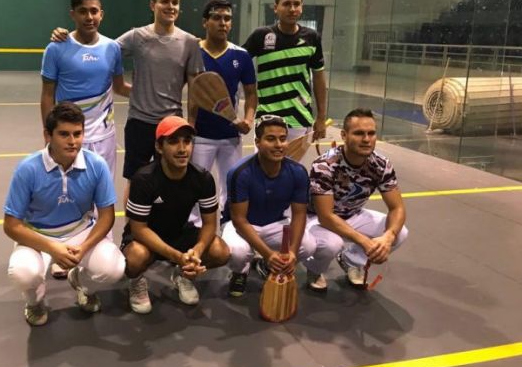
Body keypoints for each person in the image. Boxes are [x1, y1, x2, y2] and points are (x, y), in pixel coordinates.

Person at [51, 0, 203, 202]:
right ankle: (131, 225)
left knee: (172, 181)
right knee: (136, 181)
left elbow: (196, 89)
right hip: (139, 122)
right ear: (153, 5)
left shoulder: (189, 42)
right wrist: (66, 37)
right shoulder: (136, 36)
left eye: (175, 2)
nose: (170, 7)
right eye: (165, 1)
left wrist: (191, 123)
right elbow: (101, 50)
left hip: (172, 124)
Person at [4, 102, 125, 326]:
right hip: (38, 235)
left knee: (114, 268)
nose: (72, 141)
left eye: (77, 134)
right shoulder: (27, 169)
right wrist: (53, 248)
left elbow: (107, 216)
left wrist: (84, 248)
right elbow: (11, 226)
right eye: (64, 134)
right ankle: (34, 301)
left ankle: (81, 282)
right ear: (47, 135)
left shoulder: (96, 165)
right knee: (24, 273)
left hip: (80, 231)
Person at [121, 116, 230, 314]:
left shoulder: (203, 178)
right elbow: (139, 229)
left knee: (220, 251)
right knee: (136, 257)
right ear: (159, 147)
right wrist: (177, 256)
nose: (182, 149)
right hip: (146, 238)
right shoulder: (143, 179)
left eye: (187, 141)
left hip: (179, 233)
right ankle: (136, 281)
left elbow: (209, 224)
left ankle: (183, 275)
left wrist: (196, 252)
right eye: (173, 142)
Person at [221, 115, 335, 296]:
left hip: (275, 223)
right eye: (271, 139)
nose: (278, 145)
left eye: (283, 139)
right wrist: (268, 253)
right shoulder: (240, 172)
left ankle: (268, 265)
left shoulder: (298, 172)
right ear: (258, 142)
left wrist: (292, 253)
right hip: (242, 225)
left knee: (308, 246)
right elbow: (239, 220)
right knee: (238, 253)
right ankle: (240, 272)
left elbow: (299, 215)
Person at [306, 108, 409, 289]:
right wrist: (365, 242)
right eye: (359, 133)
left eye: (371, 133)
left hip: (353, 214)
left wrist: (388, 237)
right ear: (344, 135)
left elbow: (397, 208)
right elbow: (326, 216)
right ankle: (315, 269)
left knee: (400, 233)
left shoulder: (381, 164)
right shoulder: (325, 165)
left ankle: (351, 260)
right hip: (317, 219)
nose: (367, 139)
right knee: (332, 244)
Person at [40, 0, 131, 177]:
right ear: (73, 14)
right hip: (68, 137)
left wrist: (152, 93)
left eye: (94, 11)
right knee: (69, 191)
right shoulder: (55, 49)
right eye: (83, 11)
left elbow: (120, 87)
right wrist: (49, 134)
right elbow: (47, 95)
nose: (89, 17)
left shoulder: (112, 48)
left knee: (103, 190)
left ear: (101, 14)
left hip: (105, 137)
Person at [190, 0, 257, 213]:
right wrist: (189, 126)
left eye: (227, 18)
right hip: (200, 137)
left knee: (232, 190)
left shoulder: (241, 56)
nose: (223, 23)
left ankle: (229, 227)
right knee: (196, 190)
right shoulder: (193, 52)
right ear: (205, 22)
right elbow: (191, 92)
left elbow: (251, 94)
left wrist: (248, 120)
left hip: (230, 137)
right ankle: (195, 228)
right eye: (217, 18)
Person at [242, 0, 328, 140]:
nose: (292, 9)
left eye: (296, 4)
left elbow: (319, 78)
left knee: (292, 160)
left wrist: (321, 117)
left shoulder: (312, 38)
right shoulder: (261, 36)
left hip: (299, 120)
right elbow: (238, 62)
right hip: (267, 120)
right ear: (276, 8)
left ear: (302, 7)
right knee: (265, 158)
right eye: (287, 4)